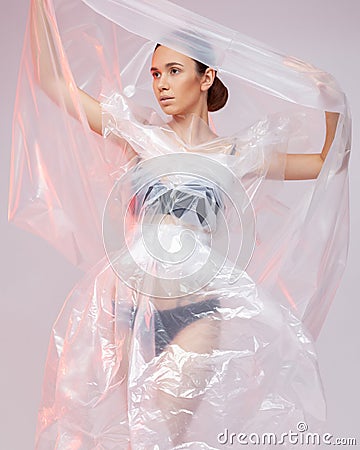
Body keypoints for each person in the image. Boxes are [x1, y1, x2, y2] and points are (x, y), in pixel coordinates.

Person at [9, 0, 350, 448]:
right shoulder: (140, 135)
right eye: (155, 74)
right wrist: (39, 5)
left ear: (206, 77)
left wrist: (330, 97)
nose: (161, 84)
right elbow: (54, 82)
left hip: (196, 313)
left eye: (173, 70)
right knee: (129, 434)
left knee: (160, 438)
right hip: (128, 311)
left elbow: (330, 162)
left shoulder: (237, 154)